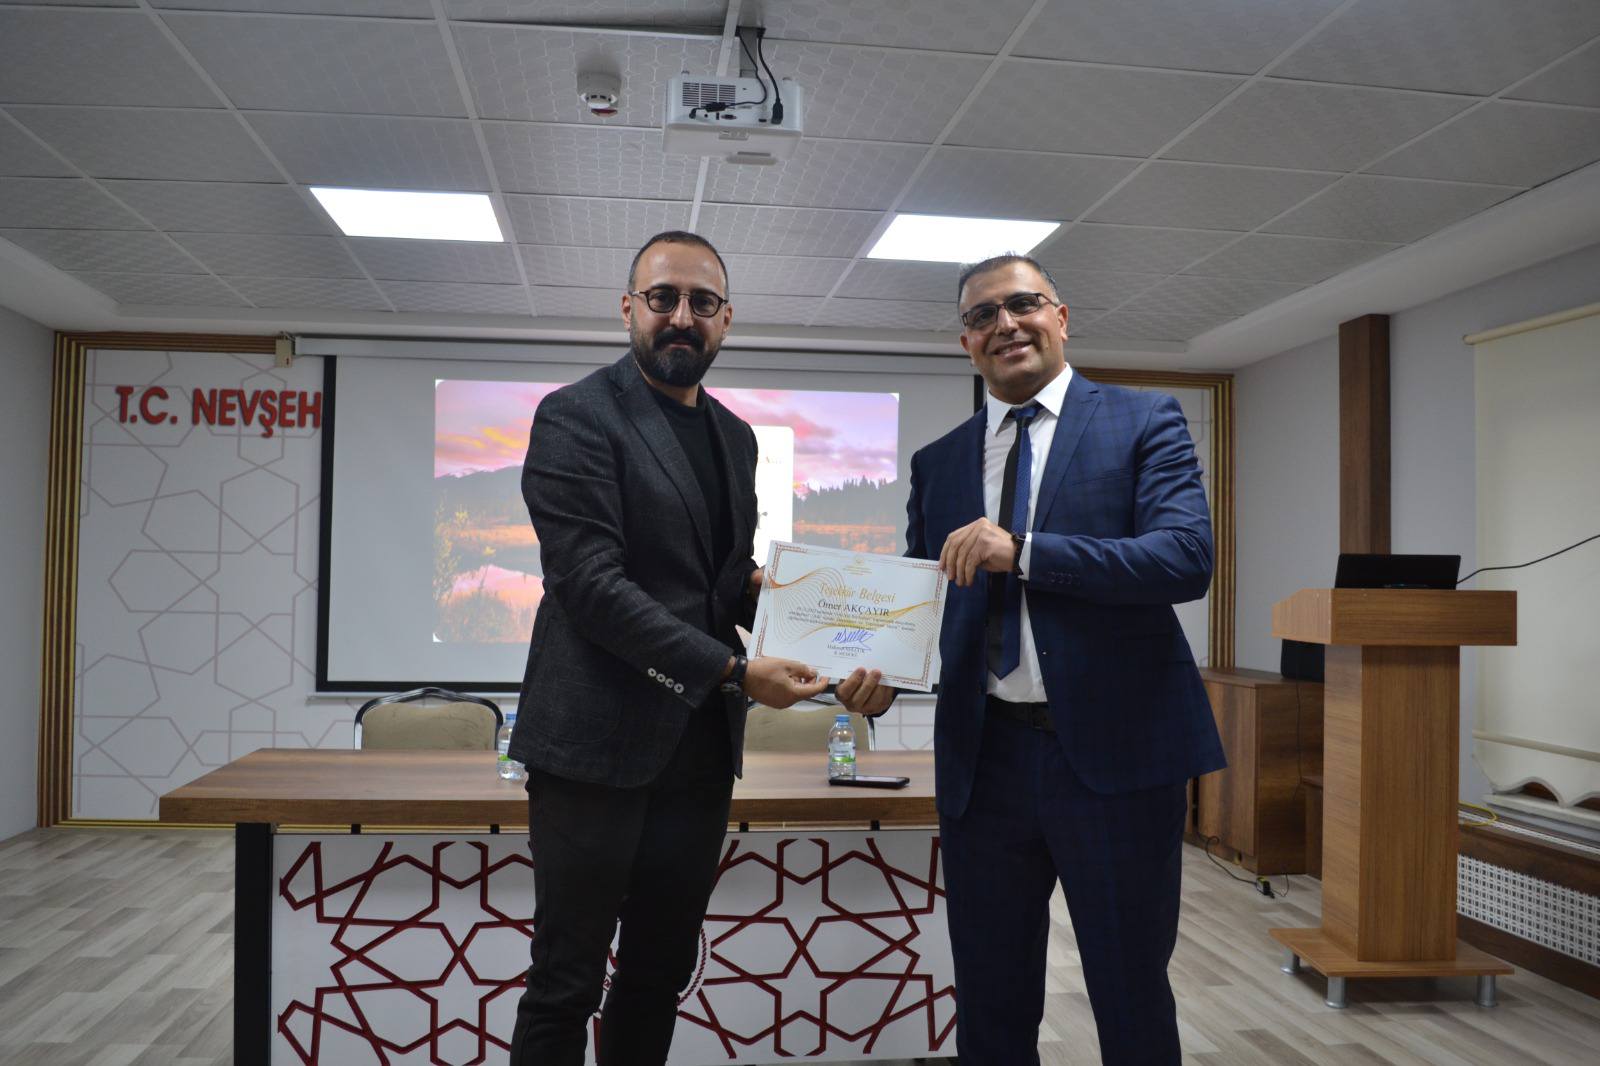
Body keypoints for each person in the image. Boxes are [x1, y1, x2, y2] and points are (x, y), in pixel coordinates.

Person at [837, 254, 1225, 1064]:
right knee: (991, 996)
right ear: (965, 343)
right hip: (986, 762)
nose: (1005, 324)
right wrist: (882, 678)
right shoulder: (940, 460)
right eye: (982, 316)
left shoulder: (1142, 420)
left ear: (1061, 317)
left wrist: (1026, 551)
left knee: (1129, 991)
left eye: (1023, 304)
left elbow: (1185, 559)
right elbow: (925, 596)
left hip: (1117, 760)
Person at [505, 230, 826, 1066]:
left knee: (658, 973)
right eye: (663, 299)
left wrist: (825, 620)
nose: (682, 316)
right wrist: (732, 669)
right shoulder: (576, 415)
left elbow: (721, 581)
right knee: (566, 981)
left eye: (702, 302)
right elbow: (589, 584)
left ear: (726, 319)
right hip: (593, 748)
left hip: (698, 751)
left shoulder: (736, 436)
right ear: (629, 309)